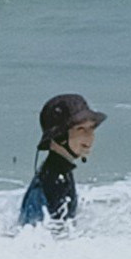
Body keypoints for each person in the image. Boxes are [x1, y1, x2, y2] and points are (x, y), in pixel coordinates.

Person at [18, 94, 107, 227]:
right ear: (59, 136)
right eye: (81, 129)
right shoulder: (55, 180)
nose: (90, 136)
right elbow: (45, 231)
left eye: (91, 129)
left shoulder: (56, 172)